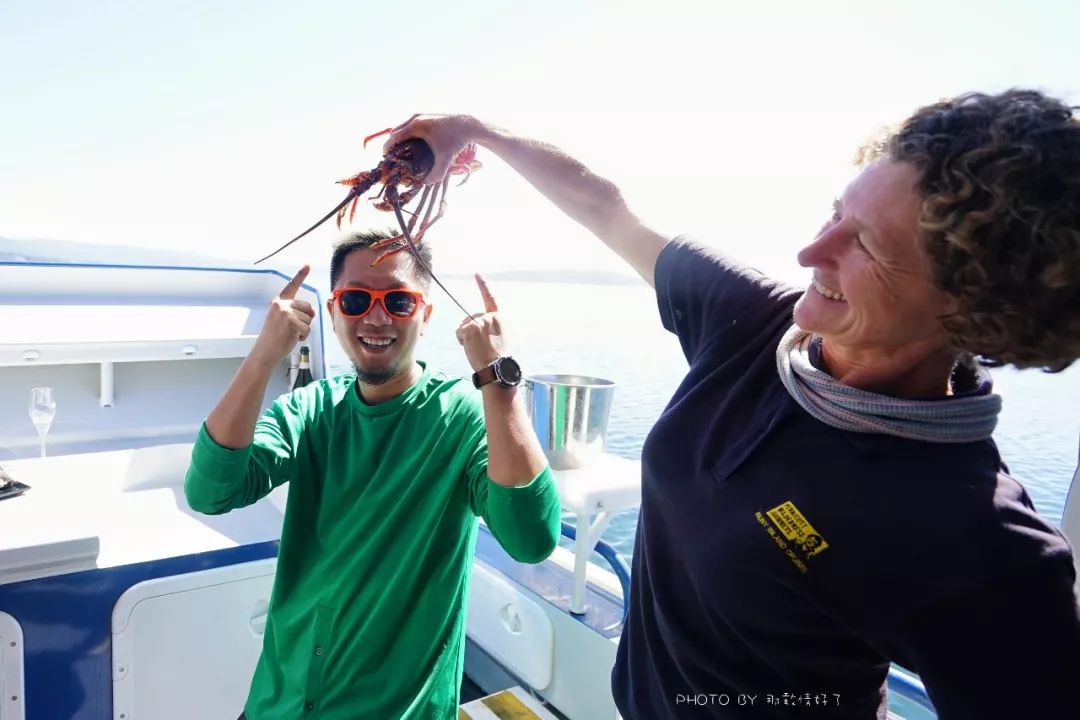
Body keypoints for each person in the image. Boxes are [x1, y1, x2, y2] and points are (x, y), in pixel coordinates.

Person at [382, 90, 1080, 718]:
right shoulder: (750, 321)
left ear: (972, 308)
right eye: (837, 213)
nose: (811, 250)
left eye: (864, 244)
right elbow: (606, 207)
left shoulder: (985, 546)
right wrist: (481, 131)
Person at [184, 229, 561, 720]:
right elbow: (212, 491)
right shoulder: (313, 409)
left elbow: (530, 539)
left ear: (426, 316)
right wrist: (263, 356)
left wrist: (497, 375)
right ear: (336, 312)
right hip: (277, 706)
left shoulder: (462, 417)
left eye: (399, 301)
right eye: (357, 299)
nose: (377, 317)